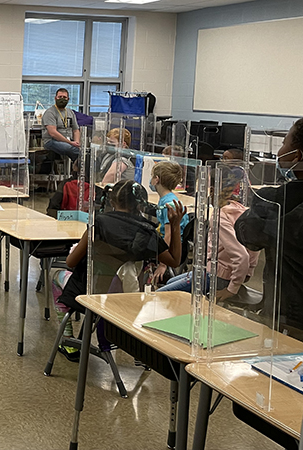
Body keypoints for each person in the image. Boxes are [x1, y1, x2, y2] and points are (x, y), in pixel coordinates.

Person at [53, 180, 185, 361]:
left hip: (88, 294)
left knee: (57, 277)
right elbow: (175, 260)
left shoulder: (98, 224)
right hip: (125, 300)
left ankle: (67, 339)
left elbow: (70, 262)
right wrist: (175, 226)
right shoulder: (147, 232)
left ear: (112, 201)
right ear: (140, 204)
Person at [235, 118, 303, 337]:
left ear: (296, 156)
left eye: (284, 143)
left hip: (290, 314)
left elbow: (247, 234)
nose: (280, 150)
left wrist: (260, 203)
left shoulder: (277, 199)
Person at [158, 166, 258, 302]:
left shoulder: (220, 217)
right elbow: (253, 248)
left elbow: (242, 257)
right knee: (171, 283)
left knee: (160, 294)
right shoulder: (239, 209)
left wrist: (231, 289)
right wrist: (248, 272)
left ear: (210, 190)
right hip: (218, 272)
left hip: (218, 277)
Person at [42, 88, 80, 161]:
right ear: (55, 98)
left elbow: (76, 130)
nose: (62, 99)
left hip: (69, 140)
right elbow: (53, 133)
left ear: (68, 99)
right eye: (60, 97)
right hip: (52, 141)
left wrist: (77, 142)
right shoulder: (50, 112)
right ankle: (80, 169)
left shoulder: (70, 112)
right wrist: (70, 143)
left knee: (84, 151)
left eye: (64, 97)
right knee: (71, 149)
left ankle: (77, 168)